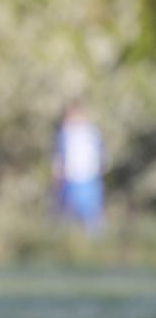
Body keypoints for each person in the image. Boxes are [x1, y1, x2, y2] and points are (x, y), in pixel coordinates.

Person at [52, 100, 104, 235]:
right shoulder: (66, 133)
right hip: (71, 179)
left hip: (88, 179)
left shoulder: (90, 133)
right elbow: (60, 159)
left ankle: (90, 243)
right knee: (68, 215)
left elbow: (99, 156)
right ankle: (70, 243)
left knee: (90, 216)